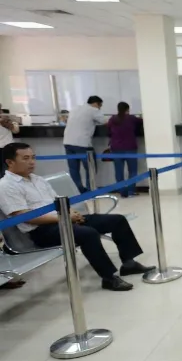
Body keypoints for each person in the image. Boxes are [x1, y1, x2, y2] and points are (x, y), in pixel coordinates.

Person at [0, 143, 154, 291]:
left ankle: (129, 263)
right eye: (25, 158)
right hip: (42, 231)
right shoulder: (6, 186)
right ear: (10, 162)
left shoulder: (37, 180)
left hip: (63, 220)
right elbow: (24, 216)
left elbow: (59, 201)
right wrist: (64, 218)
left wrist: (73, 213)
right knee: (88, 234)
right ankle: (108, 278)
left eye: (33, 157)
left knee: (117, 220)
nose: (32, 162)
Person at [63, 95, 105, 192]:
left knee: (74, 169)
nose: (99, 108)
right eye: (100, 106)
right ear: (96, 104)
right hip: (82, 144)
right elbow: (104, 121)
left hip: (68, 142)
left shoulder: (75, 108)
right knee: (91, 168)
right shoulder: (93, 110)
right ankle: (90, 190)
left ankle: (78, 190)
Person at [107, 102, 141, 197]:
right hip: (130, 147)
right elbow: (142, 122)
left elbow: (109, 132)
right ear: (127, 109)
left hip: (116, 148)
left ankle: (122, 191)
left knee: (118, 171)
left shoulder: (112, 119)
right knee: (132, 171)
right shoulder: (131, 118)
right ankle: (131, 191)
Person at [0, 103, 20, 178]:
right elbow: (16, 130)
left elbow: (16, 130)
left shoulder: (7, 119)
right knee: (7, 170)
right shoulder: (7, 119)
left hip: (7, 147)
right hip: (7, 147)